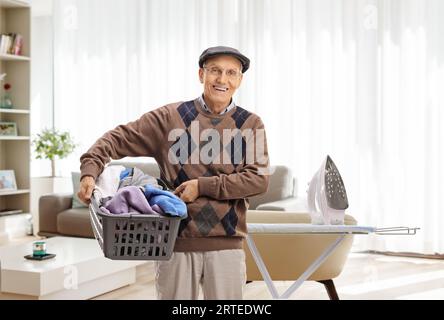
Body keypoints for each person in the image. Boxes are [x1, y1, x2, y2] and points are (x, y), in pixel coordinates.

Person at [77, 46, 270, 300]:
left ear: (239, 80)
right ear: (201, 75)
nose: (222, 80)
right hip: (174, 243)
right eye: (215, 71)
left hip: (227, 244)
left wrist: (202, 186)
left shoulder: (250, 124)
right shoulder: (170, 118)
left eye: (231, 73)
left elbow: (258, 180)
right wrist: (89, 172)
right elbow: (116, 138)